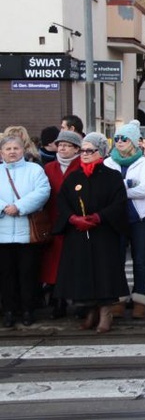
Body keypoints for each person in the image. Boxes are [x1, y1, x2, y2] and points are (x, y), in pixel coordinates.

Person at [54, 132, 129, 333]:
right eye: (82, 150)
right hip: (79, 232)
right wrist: (72, 218)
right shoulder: (73, 177)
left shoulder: (112, 176)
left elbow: (119, 202)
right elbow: (62, 201)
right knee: (84, 271)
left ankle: (106, 312)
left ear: (101, 153)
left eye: (90, 150)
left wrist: (98, 217)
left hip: (103, 232)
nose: (85, 154)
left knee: (104, 271)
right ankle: (90, 310)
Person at [103, 120, 145, 319]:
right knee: (117, 258)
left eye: (124, 138)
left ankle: (140, 298)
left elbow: (144, 190)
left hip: (140, 216)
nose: (119, 142)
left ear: (133, 141)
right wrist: (128, 184)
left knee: (140, 259)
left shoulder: (144, 162)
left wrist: (120, 188)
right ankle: (120, 298)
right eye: (116, 138)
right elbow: (107, 190)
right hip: (117, 217)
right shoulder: (109, 162)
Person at [0, 135, 51, 327]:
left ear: (23, 150)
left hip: (28, 233)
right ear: (1, 153)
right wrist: (4, 207)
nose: (12, 152)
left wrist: (19, 206)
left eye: (16, 148)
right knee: (6, 275)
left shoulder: (34, 170)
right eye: (8, 149)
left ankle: (28, 310)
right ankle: (9, 311)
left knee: (28, 273)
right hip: (2, 234)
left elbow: (42, 192)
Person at [41, 130, 82, 319]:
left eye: (67, 145)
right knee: (55, 262)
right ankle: (58, 300)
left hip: (75, 220)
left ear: (76, 149)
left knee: (75, 260)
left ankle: (78, 298)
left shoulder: (81, 166)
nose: (62, 148)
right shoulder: (49, 168)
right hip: (54, 219)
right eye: (60, 145)